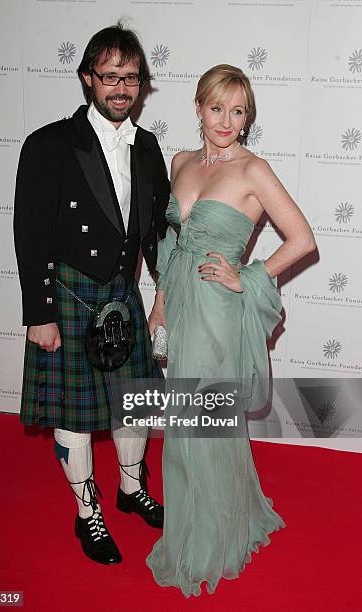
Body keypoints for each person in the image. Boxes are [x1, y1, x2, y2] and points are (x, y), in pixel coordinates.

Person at [146, 64, 316, 596]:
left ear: (247, 118)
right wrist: (160, 306)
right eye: (217, 108)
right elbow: (172, 247)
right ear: (198, 108)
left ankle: (211, 541)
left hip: (219, 309)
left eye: (238, 111)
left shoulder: (253, 170)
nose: (227, 121)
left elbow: (302, 239)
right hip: (181, 303)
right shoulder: (179, 162)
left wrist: (247, 275)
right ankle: (196, 525)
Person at [13, 23, 170, 566]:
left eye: (131, 77)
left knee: (134, 406)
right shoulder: (50, 144)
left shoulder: (148, 147)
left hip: (122, 297)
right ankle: (88, 514)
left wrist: (164, 298)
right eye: (110, 77)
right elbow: (29, 234)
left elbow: (156, 234)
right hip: (72, 297)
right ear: (87, 79)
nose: (121, 88)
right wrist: (40, 313)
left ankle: (130, 488)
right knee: (76, 416)